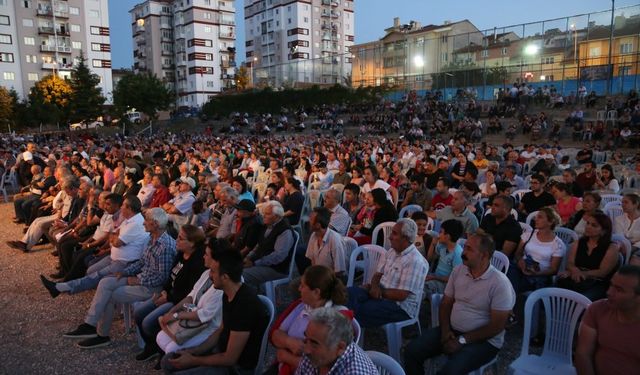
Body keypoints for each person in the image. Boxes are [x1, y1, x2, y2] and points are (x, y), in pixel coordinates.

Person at [60, 207, 177, 349]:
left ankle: (101, 335)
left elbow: (161, 278)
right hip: (142, 280)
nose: (143, 223)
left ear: (155, 224)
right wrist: (126, 272)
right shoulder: (153, 238)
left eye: (146, 221)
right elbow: (142, 262)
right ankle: (90, 325)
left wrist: (136, 280)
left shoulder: (164, 246)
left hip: (151, 288)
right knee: (105, 282)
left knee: (109, 294)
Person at [404, 234, 516, 375]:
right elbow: (445, 304)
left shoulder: (499, 283)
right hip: (453, 330)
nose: (463, 252)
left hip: (484, 341)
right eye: (464, 247)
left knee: (450, 372)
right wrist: (445, 331)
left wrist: (462, 340)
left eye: (469, 249)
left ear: (484, 255)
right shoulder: (459, 271)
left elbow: (496, 327)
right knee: (412, 351)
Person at [160, 250, 270, 375]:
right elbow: (220, 331)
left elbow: (230, 359)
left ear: (225, 277)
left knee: (175, 370)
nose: (210, 275)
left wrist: (193, 360)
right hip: (220, 353)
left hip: (235, 368)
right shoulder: (228, 292)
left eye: (213, 272)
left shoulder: (244, 306)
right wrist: (193, 352)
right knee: (167, 361)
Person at [40, 195, 150, 297]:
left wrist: (113, 237)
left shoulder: (135, 223)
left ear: (129, 208)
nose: (121, 208)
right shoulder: (129, 220)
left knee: (96, 274)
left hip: (125, 262)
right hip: (114, 256)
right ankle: (64, 286)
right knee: (90, 270)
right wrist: (114, 236)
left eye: (123, 206)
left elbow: (115, 241)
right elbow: (113, 236)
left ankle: (60, 288)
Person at [134, 225, 207, 362]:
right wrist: (164, 291)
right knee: (138, 313)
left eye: (180, 238)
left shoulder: (197, 263)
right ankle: (152, 346)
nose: (176, 240)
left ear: (192, 243)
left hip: (178, 301)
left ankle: (161, 351)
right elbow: (171, 276)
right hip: (168, 295)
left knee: (148, 323)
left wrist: (168, 298)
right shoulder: (181, 253)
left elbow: (190, 292)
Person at [346, 218, 429, 327]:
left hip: (400, 307)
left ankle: (346, 333)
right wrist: (374, 286)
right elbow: (377, 274)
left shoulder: (415, 261)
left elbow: (401, 295)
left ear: (406, 238)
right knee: (346, 295)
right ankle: (346, 325)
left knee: (361, 309)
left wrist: (376, 290)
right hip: (380, 294)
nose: (390, 237)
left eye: (394, 234)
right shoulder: (392, 251)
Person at [156, 239, 229, 358]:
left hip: (208, 326)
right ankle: (174, 363)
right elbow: (191, 296)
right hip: (191, 318)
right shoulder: (207, 273)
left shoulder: (222, 282)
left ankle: (184, 362)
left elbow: (204, 315)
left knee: (170, 348)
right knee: (160, 338)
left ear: (217, 260)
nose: (203, 257)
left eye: (206, 254)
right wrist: (171, 312)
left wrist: (175, 316)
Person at [269, 265, 348, 375]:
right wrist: (290, 342)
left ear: (316, 292)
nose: (299, 289)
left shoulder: (336, 318)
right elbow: (275, 335)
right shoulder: (302, 306)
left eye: (302, 285)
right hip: (284, 367)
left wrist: (285, 356)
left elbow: (326, 366)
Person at [575, 265, 640, 375]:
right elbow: (583, 354)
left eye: (619, 290)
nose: (609, 292)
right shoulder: (597, 309)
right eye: (611, 285)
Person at [556, 212, 619, 301]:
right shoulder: (578, 243)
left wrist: (582, 274)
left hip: (598, 282)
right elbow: (570, 263)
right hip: (576, 278)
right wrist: (575, 271)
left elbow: (603, 272)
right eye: (588, 223)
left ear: (604, 231)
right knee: (557, 289)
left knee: (580, 299)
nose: (588, 227)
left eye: (594, 225)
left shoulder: (611, 248)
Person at [294, 307, 377, 375]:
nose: (306, 350)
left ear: (340, 348)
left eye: (314, 343)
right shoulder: (315, 353)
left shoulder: (355, 371)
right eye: (306, 339)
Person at [509, 207, 565, 293]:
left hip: (540, 274)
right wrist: (520, 261)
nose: (535, 219)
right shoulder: (529, 234)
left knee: (516, 283)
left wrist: (536, 273)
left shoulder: (557, 244)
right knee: (508, 271)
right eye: (536, 216)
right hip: (522, 267)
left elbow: (554, 269)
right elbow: (518, 253)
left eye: (540, 217)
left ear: (550, 222)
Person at [242, 200, 296, 288]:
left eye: (267, 214)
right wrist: (248, 257)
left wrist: (255, 263)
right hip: (262, 262)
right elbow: (259, 245)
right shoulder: (268, 225)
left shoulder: (285, 231)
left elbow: (278, 256)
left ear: (277, 216)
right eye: (263, 213)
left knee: (241, 275)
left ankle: (251, 299)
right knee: (235, 268)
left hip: (276, 269)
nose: (263, 216)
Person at [425, 219, 464, 297]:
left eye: (441, 232)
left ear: (447, 236)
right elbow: (430, 259)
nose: (438, 235)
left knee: (423, 287)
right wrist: (433, 245)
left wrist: (434, 277)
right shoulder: (442, 246)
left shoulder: (458, 254)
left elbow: (454, 278)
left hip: (445, 285)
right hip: (435, 278)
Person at [304, 207, 347, 277]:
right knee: (296, 284)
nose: (309, 221)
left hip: (334, 278)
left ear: (318, 225)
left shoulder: (334, 240)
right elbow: (312, 260)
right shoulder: (314, 235)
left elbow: (339, 271)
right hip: (320, 276)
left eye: (311, 219)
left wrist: (322, 280)